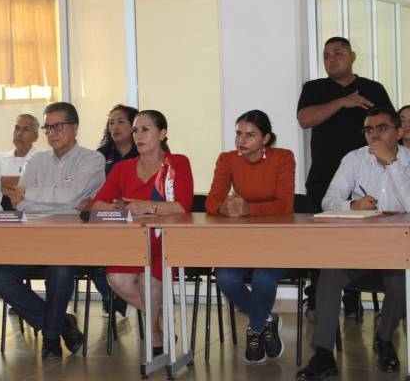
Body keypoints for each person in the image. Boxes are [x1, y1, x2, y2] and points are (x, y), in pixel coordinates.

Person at [297, 107, 410, 380]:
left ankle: (384, 341)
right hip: (359, 251)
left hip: (398, 254)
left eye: (381, 128)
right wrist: (352, 204)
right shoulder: (354, 159)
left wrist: (392, 165)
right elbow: (328, 201)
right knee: (329, 274)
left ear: (399, 131)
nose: (373, 134)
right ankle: (323, 354)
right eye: (368, 129)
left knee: (401, 283)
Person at [0, 101, 104, 360]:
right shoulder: (37, 160)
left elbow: (71, 195)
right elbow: (18, 203)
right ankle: (60, 325)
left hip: (73, 240)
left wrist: (33, 194)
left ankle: (51, 338)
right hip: (33, 236)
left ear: (75, 128)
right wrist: (60, 200)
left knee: (61, 270)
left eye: (58, 126)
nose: (52, 132)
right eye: (47, 127)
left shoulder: (92, 159)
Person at [297, 36, 393, 320]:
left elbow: (388, 124)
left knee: (357, 241)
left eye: (338, 54)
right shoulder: (315, 88)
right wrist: (343, 102)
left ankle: (352, 296)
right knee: (322, 241)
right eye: (326, 55)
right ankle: (318, 296)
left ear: (353, 56)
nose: (331, 60)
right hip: (324, 178)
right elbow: (305, 119)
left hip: (367, 177)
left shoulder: (373, 88)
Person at [91, 110, 193, 356]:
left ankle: (155, 336)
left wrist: (146, 206)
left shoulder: (177, 163)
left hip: (166, 243)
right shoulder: (122, 168)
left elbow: (182, 205)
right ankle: (160, 322)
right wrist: (118, 207)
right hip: (132, 242)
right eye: (135, 130)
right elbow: (97, 205)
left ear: (163, 134)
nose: (138, 135)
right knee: (116, 278)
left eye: (145, 129)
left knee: (150, 281)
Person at [206, 109, 295, 364]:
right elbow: (212, 200)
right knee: (225, 277)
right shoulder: (227, 159)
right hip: (243, 239)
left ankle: (255, 329)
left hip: (278, 238)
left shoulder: (283, 158)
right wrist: (223, 208)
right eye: (238, 134)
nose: (241, 141)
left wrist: (250, 210)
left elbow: (286, 204)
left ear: (265, 138)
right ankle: (266, 320)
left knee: (263, 277)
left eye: (250, 135)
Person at [93, 104, 139, 318]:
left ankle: (121, 293)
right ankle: (109, 294)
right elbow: (95, 191)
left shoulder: (146, 151)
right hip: (107, 216)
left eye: (121, 122)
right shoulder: (100, 155)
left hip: (137, 219)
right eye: (111, 122)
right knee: (90, 247)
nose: (115, 127)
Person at [0, 113, 39, 210]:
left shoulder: (41, 160)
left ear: (35, 137)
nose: (19, 134)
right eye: (17, 128)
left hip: (31, 215)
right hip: (1, 213)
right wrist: (20, 190)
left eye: (26, 130)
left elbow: (35, 186)